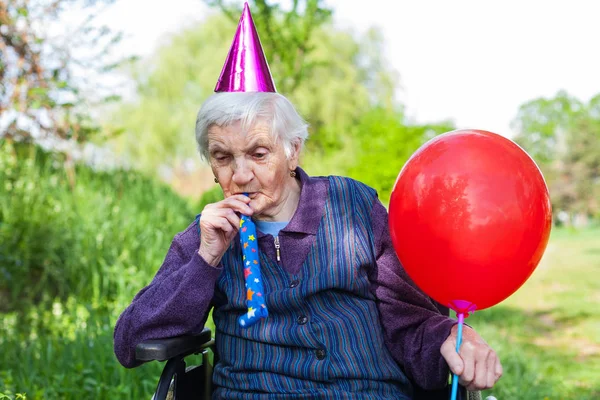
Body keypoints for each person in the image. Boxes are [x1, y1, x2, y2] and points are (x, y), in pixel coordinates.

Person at [113, 3, 502, 399]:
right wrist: (206, 261)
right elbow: (132, 342)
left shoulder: (354, 207)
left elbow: (408, 318)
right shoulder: (206, 235)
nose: (241, 174)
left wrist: (456, 338)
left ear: (293, 151)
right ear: (211, 165)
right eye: (223, 156)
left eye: (258, 153)